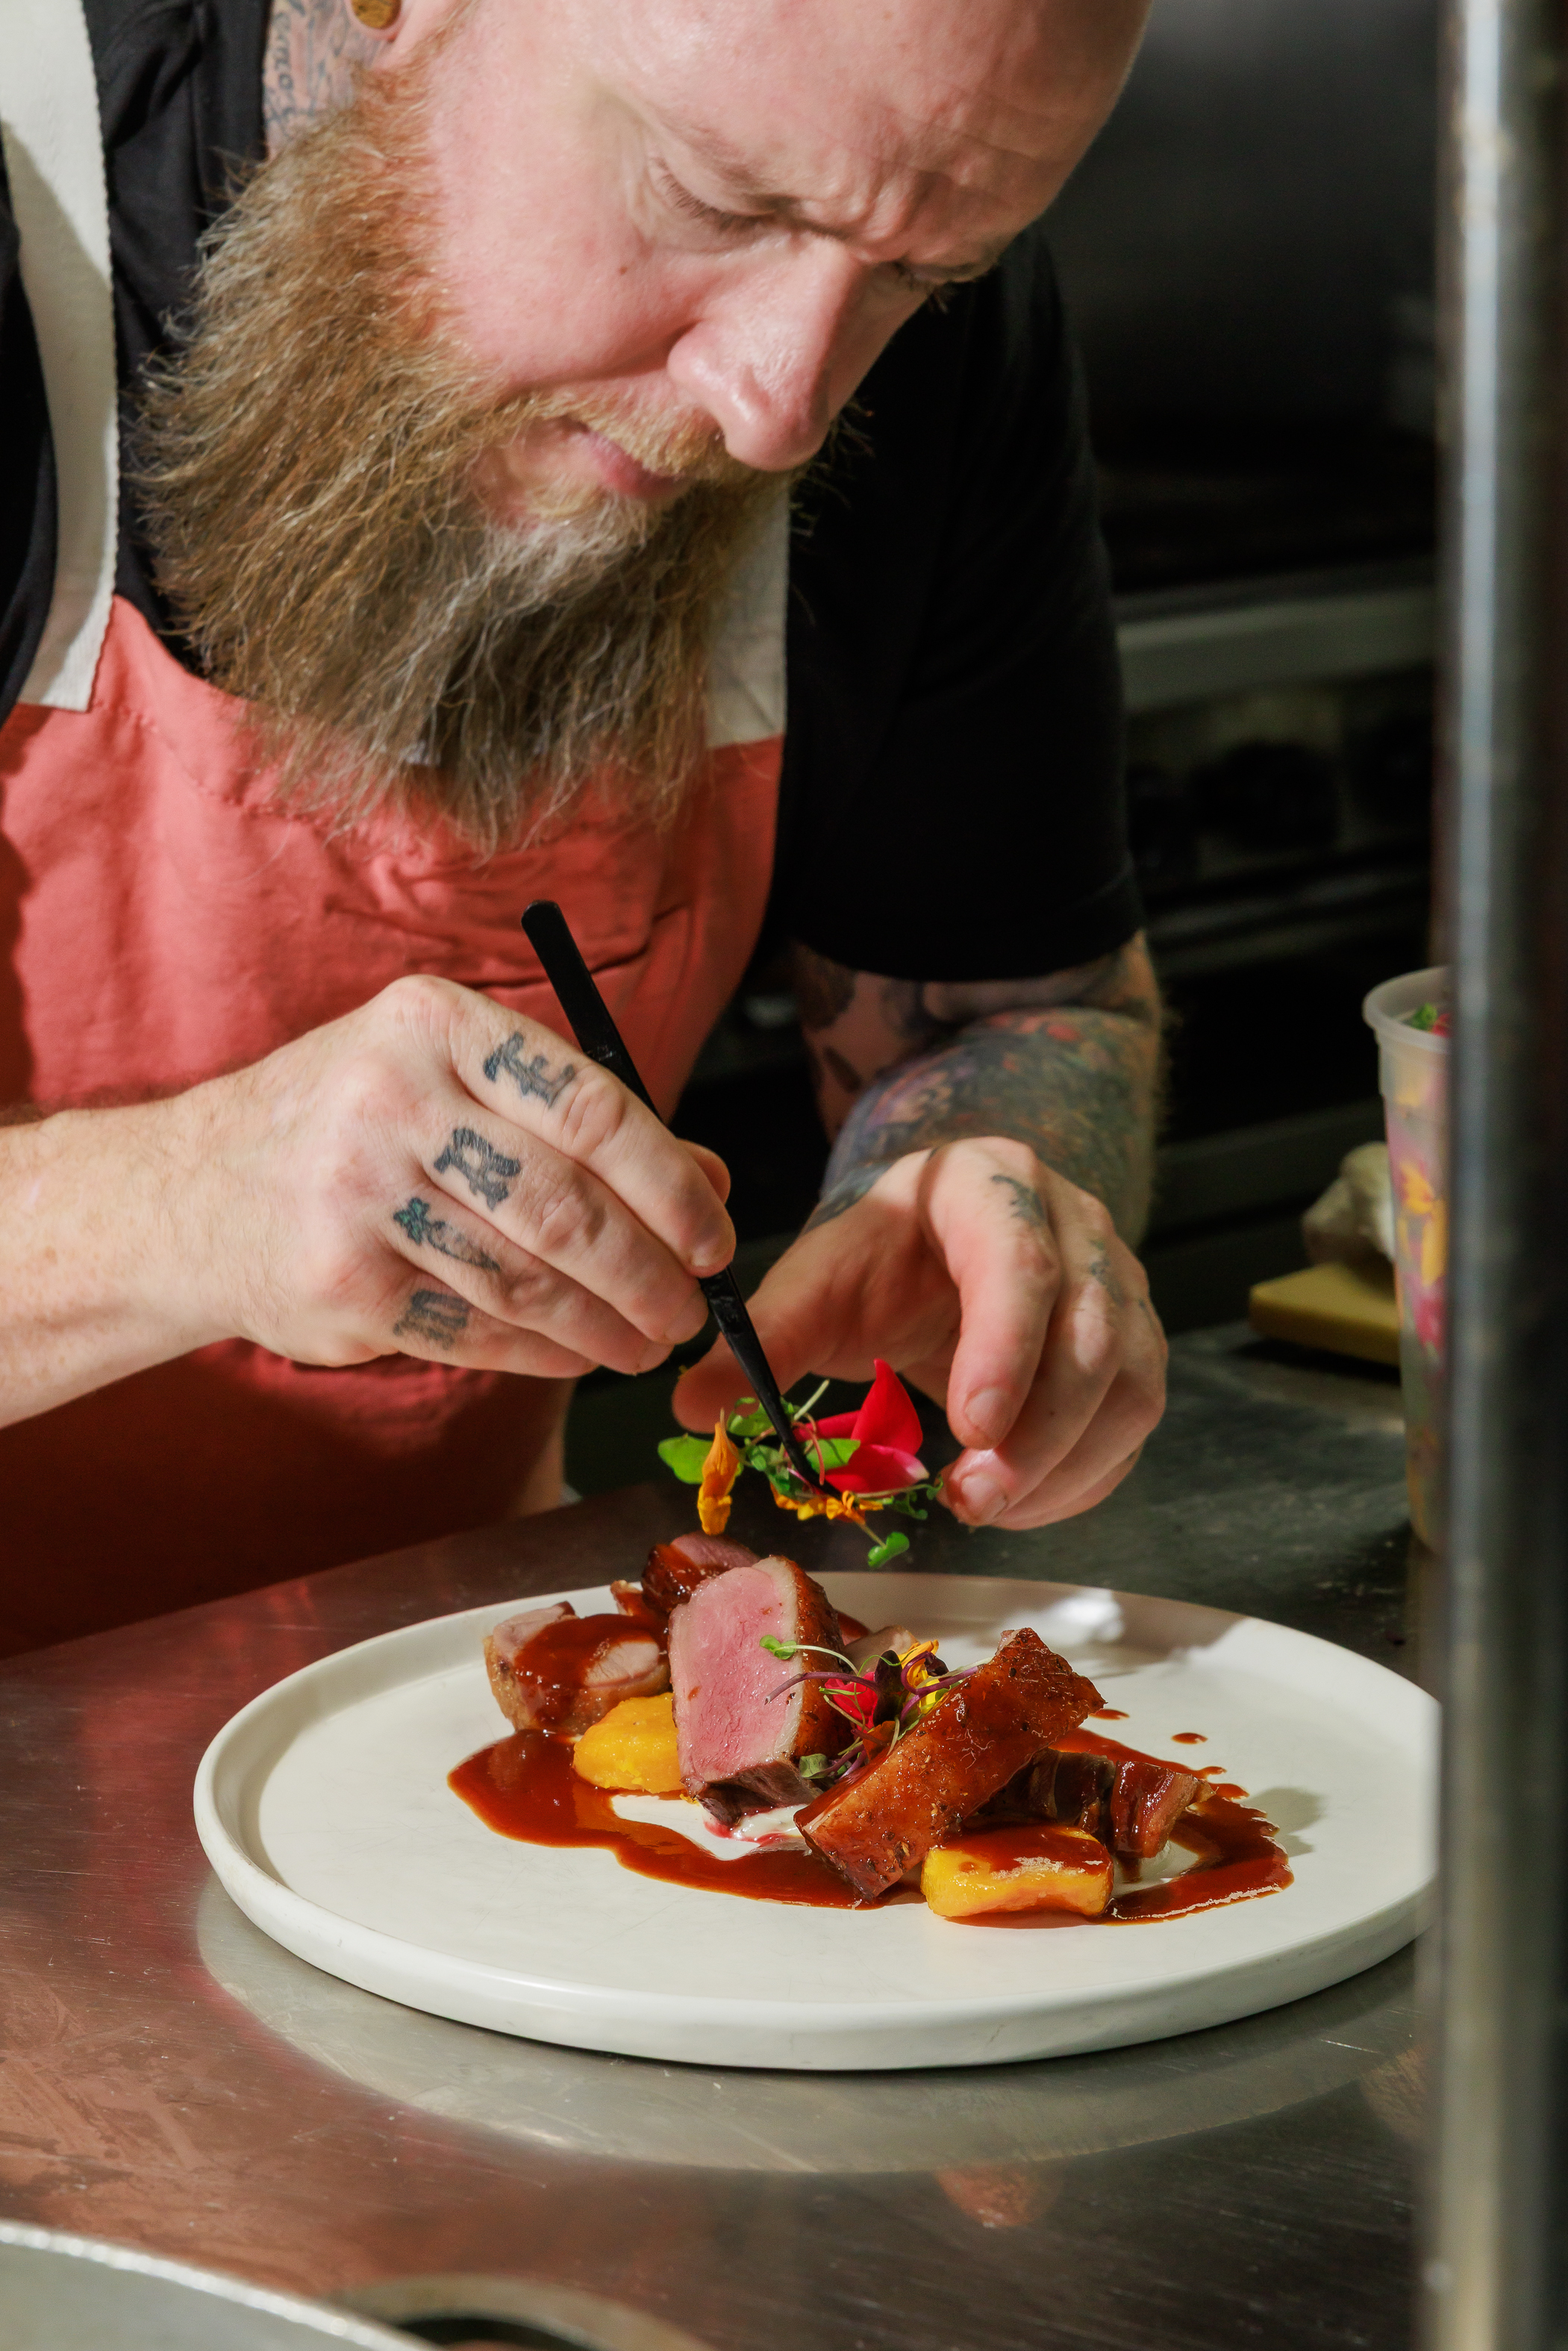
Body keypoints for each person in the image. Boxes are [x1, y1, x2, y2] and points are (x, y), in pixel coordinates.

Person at [0, 0, 1165, 1654]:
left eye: (927, 275)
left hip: (411, 1721)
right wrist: (184, 1207)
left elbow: (1021, 1009)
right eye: (714, 197)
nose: (780, 410)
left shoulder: (886, 261)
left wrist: (977, 1188)